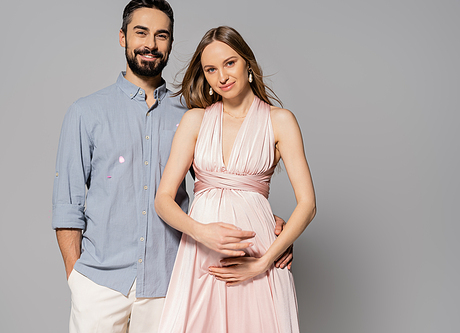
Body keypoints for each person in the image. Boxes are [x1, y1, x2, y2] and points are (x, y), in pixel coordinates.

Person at [52, 2, 291, 332]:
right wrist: (76, 278)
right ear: (122, 38)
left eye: (161, 35)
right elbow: (67, 205)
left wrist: (270, 228)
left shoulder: (194, 114)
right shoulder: (85, 113)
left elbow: (221, 182)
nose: (151, 43)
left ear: (170, 43)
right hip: (100, 282)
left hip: (169, 283)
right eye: (141, 32)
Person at [154, 26, 316, 332]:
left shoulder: (280, 121)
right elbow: (163, 200)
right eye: (211, 69)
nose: (222, 77)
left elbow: (307, 204)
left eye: (230, 63)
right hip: (201, 253)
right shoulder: (195, 121)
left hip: (258, 256)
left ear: (247, 64)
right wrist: (201, 233)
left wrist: (265, 261)